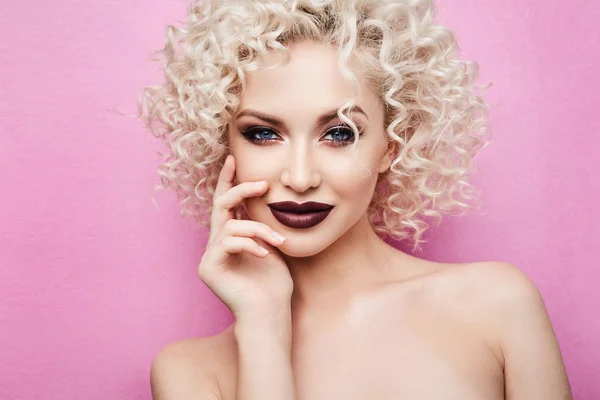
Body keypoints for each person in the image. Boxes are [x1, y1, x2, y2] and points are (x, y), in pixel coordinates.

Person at [138, 0, 572, 398]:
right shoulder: (192, 373)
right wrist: (264, 330)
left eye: (340, 133)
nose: (301, 177)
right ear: (224, 147)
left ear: (391, 146)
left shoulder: (495, 304)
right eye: (263, 134)